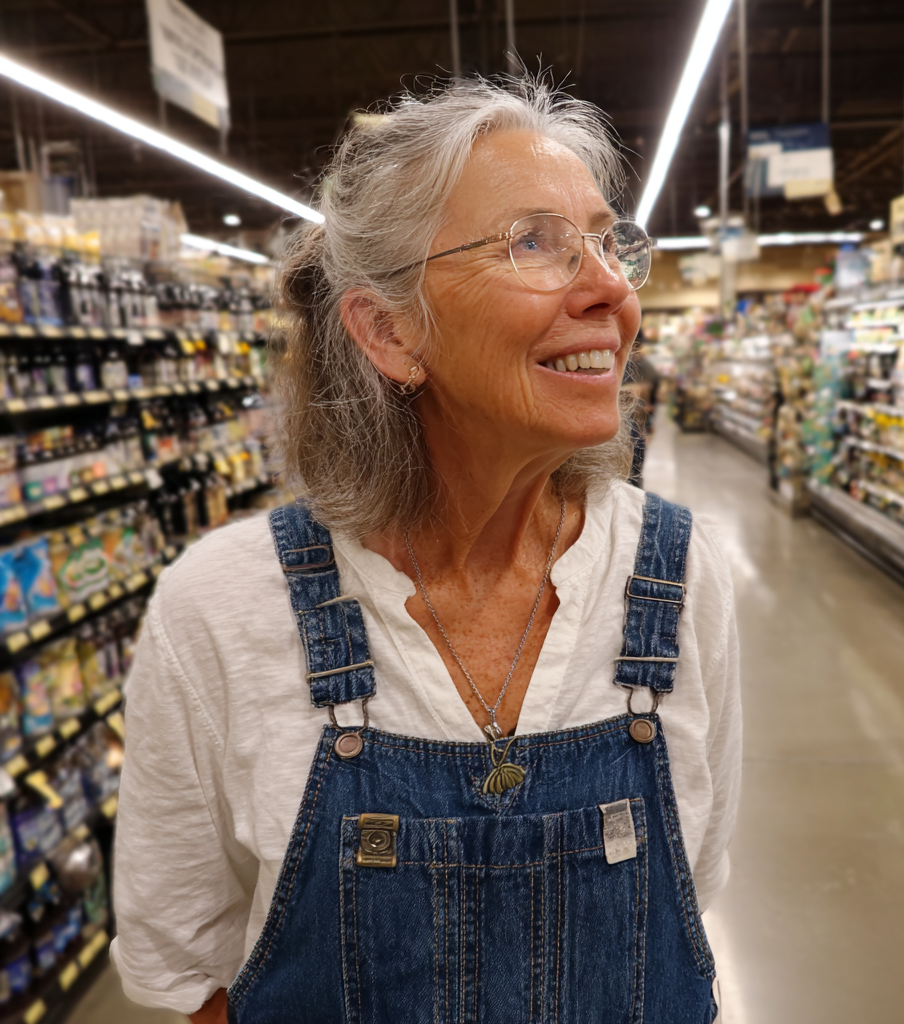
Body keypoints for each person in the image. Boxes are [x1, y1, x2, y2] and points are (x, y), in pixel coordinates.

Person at [110, 76, 741, 1024]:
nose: (612, 289)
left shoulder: (678, 576)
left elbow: (690, 893)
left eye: (609, 242)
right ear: (391, 330)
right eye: (535, 243)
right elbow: (189, 969)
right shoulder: (221, 608)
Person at [622, 335, 661, 486]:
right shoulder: (643, 366)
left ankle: (634, 481)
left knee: (636, 451)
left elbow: (653, 393)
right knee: (635, 452)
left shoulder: (635, 365)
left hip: (635, 415)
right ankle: (634, 481)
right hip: (635, 416)